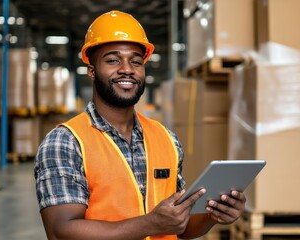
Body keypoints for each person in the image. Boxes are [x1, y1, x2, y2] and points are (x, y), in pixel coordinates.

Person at [34, 10, 246, 240]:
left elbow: (179, 226)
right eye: (113, 60)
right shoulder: (66, 142)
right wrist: (150, 224)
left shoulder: (166, 138)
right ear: (92, 71)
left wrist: (212, 215)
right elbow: (61, 231)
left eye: (136, 61)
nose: (127, 68)